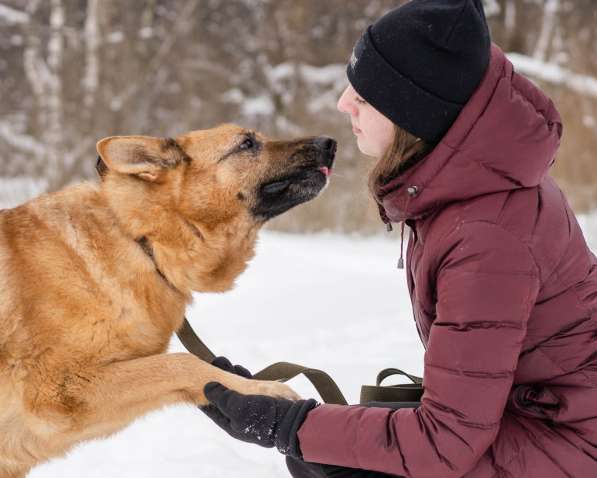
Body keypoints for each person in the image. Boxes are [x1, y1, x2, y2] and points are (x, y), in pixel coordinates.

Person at [200, 0, 597, 476]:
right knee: (324, 455)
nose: (344, 102)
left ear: (416, 115)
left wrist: (286, 423)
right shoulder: (473, 183)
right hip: (544, 422)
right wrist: (292, 422)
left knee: (327, 460)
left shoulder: (485, 239)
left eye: (365, 97)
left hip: (572, 446)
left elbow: (443, 443)